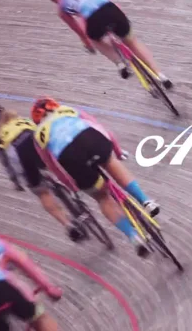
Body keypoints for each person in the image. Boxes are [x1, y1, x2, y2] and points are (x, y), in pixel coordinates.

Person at [30, 96, 162, 258]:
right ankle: (145, 201)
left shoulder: (38, 136)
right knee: (112, 163)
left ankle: (133, 237)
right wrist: (118, 152)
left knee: (103, 198)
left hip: (71, 158)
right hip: (91, 139)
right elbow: (102, 129)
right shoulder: (69, 110)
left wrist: (73, 187)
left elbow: (54, 168)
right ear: (54, 107)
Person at [40, 0, 173, 89]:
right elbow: (110, 1)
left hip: (94, 19)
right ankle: (161, 75)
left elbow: (80, 32)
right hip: (113, 11)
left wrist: (88, 44)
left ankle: (120, 63)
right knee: (132, 42)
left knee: (94, 38)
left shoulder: (62, 7)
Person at [0, 103, 87, 243]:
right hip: (36, 143)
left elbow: (8, 166)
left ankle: (68, 225)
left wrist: (17, 183)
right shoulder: (21, 120)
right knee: (59, 167)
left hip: (19, 156)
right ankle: (76, 188)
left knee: (42, 192)